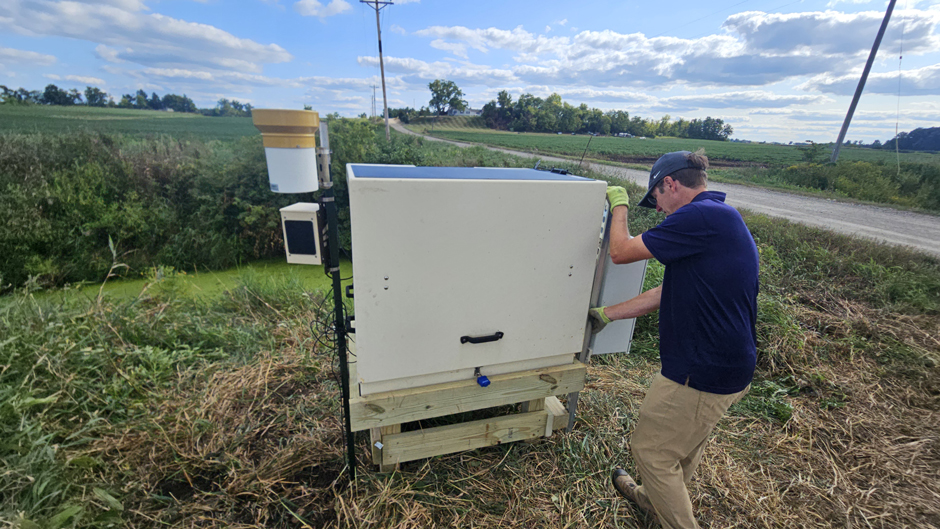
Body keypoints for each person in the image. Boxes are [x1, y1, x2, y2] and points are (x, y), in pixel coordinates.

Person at [589, 150, 759, 529]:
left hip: (702, 367)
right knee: (682, 448)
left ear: (671, 184)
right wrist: (608, 314)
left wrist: (619, 207)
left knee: (651, 451)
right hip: (729, 363)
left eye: (657, 199)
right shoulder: (718, 218)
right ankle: (652, 501)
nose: (660, 208)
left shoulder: (698, 216)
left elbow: (620, 252)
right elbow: (670, 290)